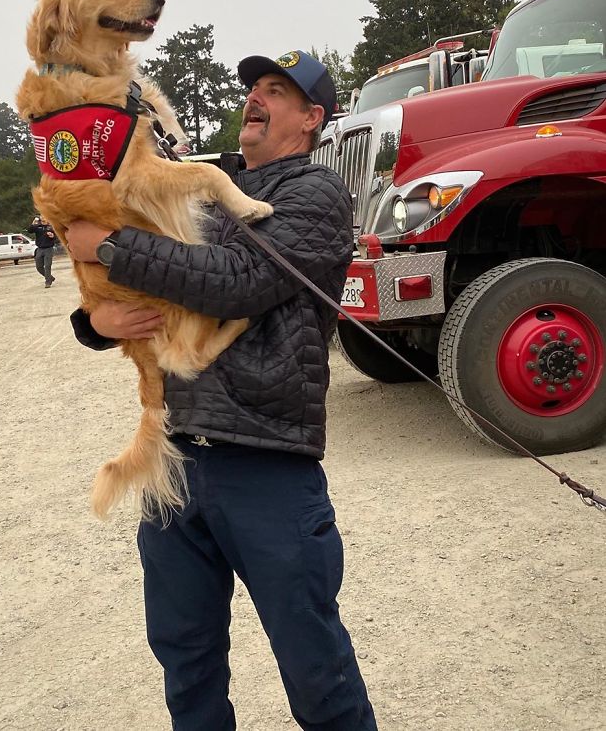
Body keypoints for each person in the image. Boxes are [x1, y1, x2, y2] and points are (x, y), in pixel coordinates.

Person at [66, 50, 378, 731]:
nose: (255, 99)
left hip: (265, 462)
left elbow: (234, 279)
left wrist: (111, 245)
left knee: (317, 675)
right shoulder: (205, 183)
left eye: (276, 91)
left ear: (311, 118)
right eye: (253, 89)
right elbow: (150, 277)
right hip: (173, 461)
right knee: (189, 666)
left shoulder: (316, 195)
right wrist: (94, 319)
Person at [28, 215, 56, 288]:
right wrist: (33, 223)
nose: (43, 217)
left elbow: (56, 236)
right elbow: (30, 230)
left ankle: (48, 282)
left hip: (48, 249)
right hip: (40, 249)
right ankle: (50, 277)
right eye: (41, 216)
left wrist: (52, 236)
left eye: (44, 216)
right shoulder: (37, 226)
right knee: (39, 267)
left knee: (47, 266)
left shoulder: (51, 227)